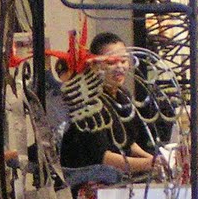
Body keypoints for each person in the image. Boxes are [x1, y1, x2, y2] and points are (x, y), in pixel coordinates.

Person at [59, 32, 156, 183]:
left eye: (123, 61)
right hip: (88, 183)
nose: (120, 67)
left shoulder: (122, 95)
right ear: (95, 64)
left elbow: (127, 142)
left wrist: (153, 159)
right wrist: (149, 164)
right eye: (111, 62)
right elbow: (103, 158)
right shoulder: (87, 102)